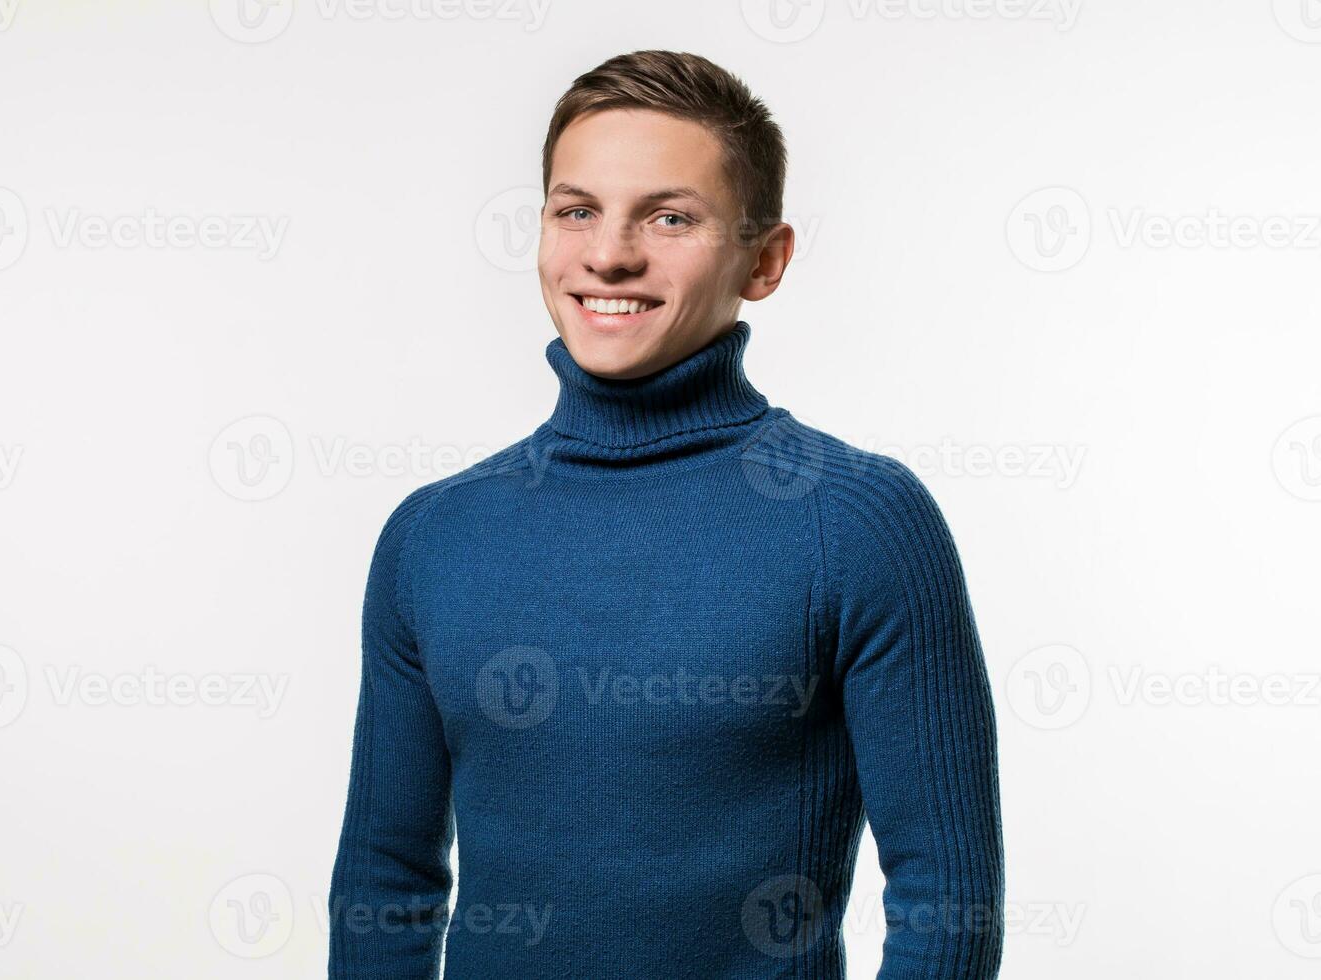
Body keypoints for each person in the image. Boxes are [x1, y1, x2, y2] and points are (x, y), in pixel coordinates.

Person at [327, 49, 1004, 979]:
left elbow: (946, 904)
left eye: (671, 217)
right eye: (577, 210)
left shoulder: (858, 525)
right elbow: (384, 882)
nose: (609, 252)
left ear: (763, 261)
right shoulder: (432, 537)